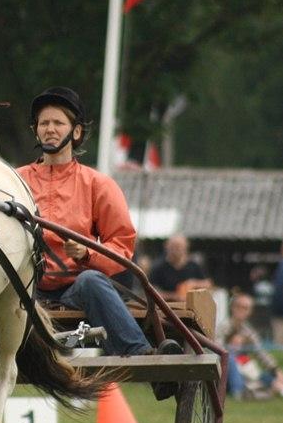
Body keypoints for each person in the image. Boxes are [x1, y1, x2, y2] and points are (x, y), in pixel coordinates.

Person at [16, 86, 182, 399]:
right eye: (43, 123)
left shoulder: (98, 183)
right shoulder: (14, 180)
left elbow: (122, 245)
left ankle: (147, 363)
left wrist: (88, 254)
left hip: (75, 290)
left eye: (58, 123)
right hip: (23, 287)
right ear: (35, 130)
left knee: (92, 280)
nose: (49, 129)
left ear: (76, 132)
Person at [218, 293, 283, 400]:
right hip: (225, 373)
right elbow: (217, 350)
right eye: (239, 307)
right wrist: (231, 347)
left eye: (246, 308)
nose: (242, 311)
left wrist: (276, 369)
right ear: (233, 308)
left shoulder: (248, 331)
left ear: (250, 311)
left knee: (268, 376)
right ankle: (240, 392)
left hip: (245, 369)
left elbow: (261, 352)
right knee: (230, 358)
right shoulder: (223, 327)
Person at [149, 234, 213, 301]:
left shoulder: (194, 266)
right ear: (167, 247)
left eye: (179, 247)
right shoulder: (158, 268)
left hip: (191, 308)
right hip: (166, 308)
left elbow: (208, 284)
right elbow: (152, 292)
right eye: (173, 247)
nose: (176, 250)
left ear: (186, 247)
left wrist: (193, 283)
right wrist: (176, 296)